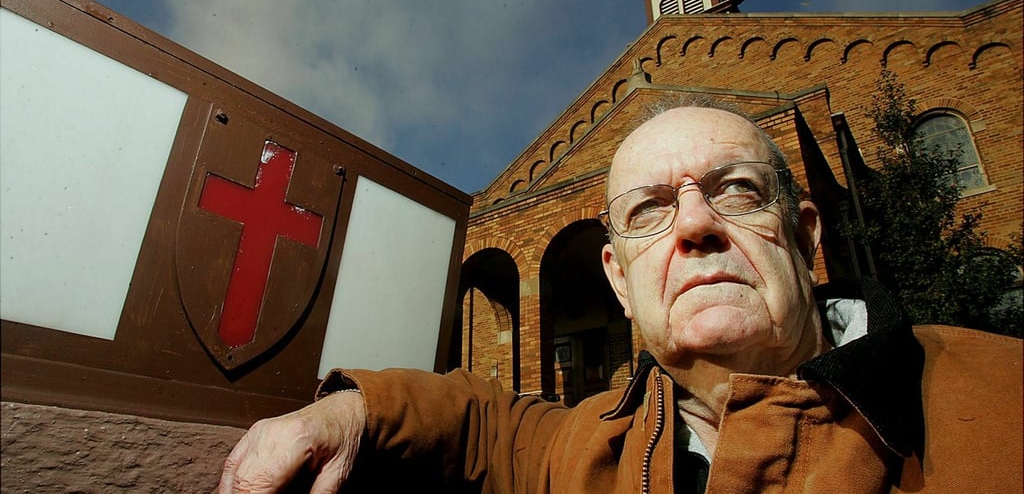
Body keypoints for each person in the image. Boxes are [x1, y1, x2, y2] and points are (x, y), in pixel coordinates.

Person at [219, 101, 1022, 493]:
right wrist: (347, 411)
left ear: (807, 235)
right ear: (618, 280)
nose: (695, 225)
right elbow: (487, 421)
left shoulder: (996, 396)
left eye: (736, 191)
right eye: (650, 211)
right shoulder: (589, 446)